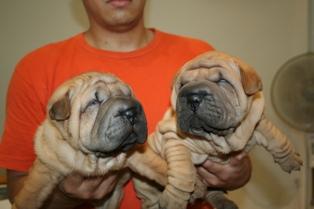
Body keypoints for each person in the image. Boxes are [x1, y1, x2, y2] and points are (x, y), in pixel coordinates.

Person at [0, 0, 251, 208]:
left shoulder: (199, 59)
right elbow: (19, 191)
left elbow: (237, 151)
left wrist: (239, 173)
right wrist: (65, 197)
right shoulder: (35, 69)